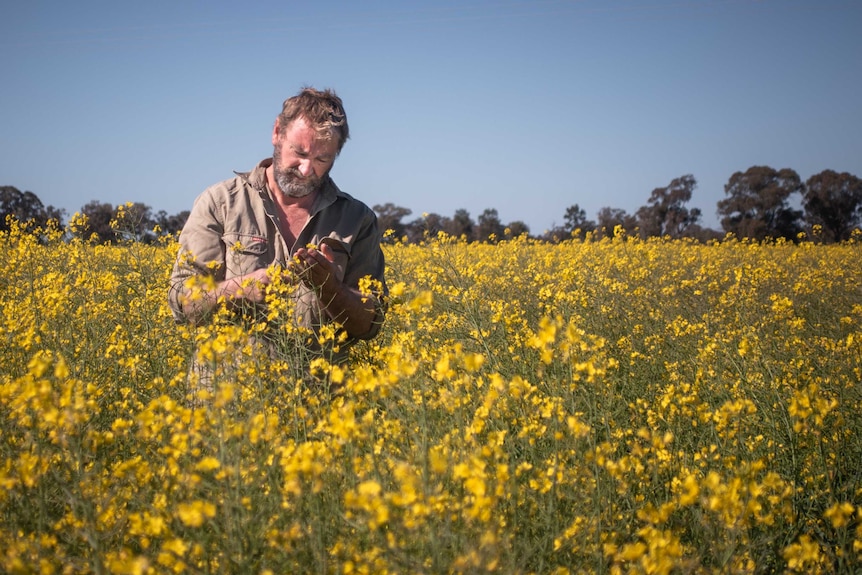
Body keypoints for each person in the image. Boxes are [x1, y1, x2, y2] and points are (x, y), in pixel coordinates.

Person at [168, 87, 387, 392]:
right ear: (277, 133)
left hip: (319, 412)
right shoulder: (220, 203)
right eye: (299, 152)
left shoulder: (357, 220)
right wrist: (237, 289)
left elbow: (369, 325)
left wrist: (330, 288)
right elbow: (181, 304)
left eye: (323, 159)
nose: (307, 169)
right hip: (226, 411)